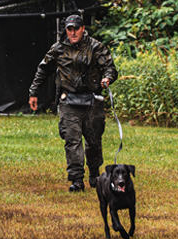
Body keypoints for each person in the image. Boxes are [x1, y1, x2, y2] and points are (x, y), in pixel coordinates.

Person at [28, 14, 118, 192]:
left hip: (93, 101)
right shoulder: (58, 48)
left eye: (76, 28)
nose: (73, 32)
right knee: (72, 140)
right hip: (68, 101)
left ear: (83, 29)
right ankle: (77, 180)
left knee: (93, 141)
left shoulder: (96, 47)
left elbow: (110, 68)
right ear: (66, 30)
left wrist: (107, 78)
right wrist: (33, 93)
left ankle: (94, 174)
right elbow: (43, 69)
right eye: (69, 29)